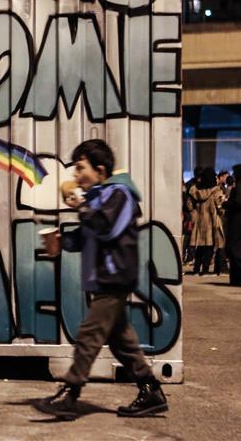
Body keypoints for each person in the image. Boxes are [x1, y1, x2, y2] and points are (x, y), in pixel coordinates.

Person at [36, 140, 168, 419]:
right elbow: (90, 235)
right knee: (122, 341)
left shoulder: (120, 194)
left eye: (80, 168)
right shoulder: (101, 197)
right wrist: (62, 241)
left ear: (99, 169)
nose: (75, 176)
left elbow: (107, 228)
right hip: (107, 277)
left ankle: (70, 392)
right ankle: (151, 391)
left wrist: (81, 205)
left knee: (90, 334)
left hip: (115, 276)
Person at [189, 168, 225, 276]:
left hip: (199, 222)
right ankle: (205, 270)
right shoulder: (215, 191)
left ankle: (196, 270)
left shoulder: (194, 190)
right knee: (210, 247)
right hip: (211, 221)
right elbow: (219, 206)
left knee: (200, 247)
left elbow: (189, 205)